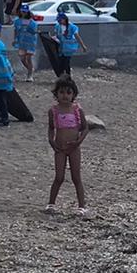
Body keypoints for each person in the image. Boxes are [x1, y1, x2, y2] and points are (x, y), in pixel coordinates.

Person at [46, 76, 91, 216]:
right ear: (56, 94)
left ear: (73, 95)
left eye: (68, 92)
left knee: (76, 177)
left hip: (74, 149)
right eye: (62, 92)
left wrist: (78, 142)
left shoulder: (77, 110)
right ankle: (51, 204)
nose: (65, 96)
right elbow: (51, 128)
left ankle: (81, 206)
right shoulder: (53, 111)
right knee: (59, 177)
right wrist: (51, 141)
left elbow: (85, 128)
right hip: (60, 148)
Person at [52, 10, 86, 74]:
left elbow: (77, 37)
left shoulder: (72, 27)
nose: (59, 22)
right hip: (60, 48)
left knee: (66, 63)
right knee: (60, 63)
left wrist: (83, 46)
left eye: (60, 20)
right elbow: (56, 35)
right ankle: (62, 77)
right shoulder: (57, 26)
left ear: (64, 19)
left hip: (68, 48)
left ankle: (68, 77)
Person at [12, 4, 40, 80]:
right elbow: (15, 31)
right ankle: (30, 69)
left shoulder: (32, 22)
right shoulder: (17, 21)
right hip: (21, 42)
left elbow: (34, 31)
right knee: (22, 58)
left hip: (30, 42)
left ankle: (30, 74)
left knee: (28, 58)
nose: (24, 13)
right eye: (22, 11)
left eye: (25, 12)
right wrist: (14, 39)